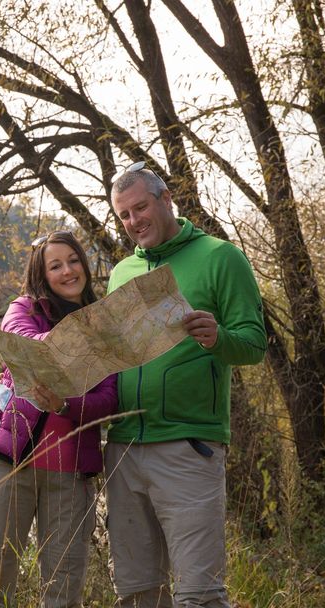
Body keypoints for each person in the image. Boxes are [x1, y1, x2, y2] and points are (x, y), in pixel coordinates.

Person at [104, 162, 267, 608]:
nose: (134, 221)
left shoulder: (220, 257)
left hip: (189, 446)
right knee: (137, 595)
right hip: (122, 449)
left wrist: (219, 338)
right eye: (124, 215)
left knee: (200, 596)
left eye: (141, 207)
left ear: (166, 198)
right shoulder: (120, 273)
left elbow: (254, 345)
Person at [0, 230, 118, 608]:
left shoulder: (104, 326)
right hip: (11, 465)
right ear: (42, 274)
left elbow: (108, 399)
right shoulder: (25, 309)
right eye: (56, 266)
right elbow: (20, 340)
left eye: (73, 261)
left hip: (69, 476)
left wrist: (66, 403)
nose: (67, 271)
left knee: (63, 591)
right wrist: (76, 348)